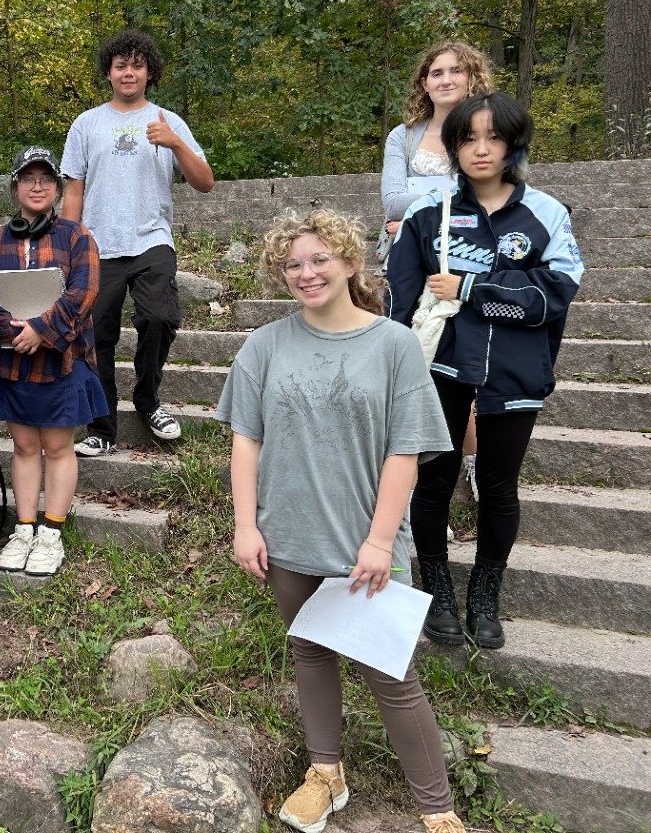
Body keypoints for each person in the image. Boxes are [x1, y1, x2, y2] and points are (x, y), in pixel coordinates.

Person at [217, 209, 465, 833]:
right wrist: (246, 525)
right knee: (309, 653)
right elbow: (245, 440)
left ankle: (437, 808)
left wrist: (381, 541)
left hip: (367, 542)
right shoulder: (265, 345)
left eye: (319, 259)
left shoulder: (393, 345)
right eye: (293, 263)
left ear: (351, 262)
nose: (307, 273)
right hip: (288, 536)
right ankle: (326, 772)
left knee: (391, 676)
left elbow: (405, 450)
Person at [388, 92, 583, 650]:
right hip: (441, 368)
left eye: (492, 138)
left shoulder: (546, 214)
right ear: (453, 147)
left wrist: (471, 289)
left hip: (517, 372)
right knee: (433, 485)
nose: (480, 149)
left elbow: (552, 299)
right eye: (467, 138)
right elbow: (401, 304)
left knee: (499, 488)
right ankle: (439, 592)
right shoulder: (429, 215)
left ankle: (485, 593)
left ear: (511, 144)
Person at [61, 29, 214, 455]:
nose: (129, 72)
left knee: (159, 318)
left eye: (137, 65)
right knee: (99, 337)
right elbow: (73, 190)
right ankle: (102, 426)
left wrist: (176, 142)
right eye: (120, 65)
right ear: (108, 73)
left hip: (152, 240)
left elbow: (205, 182)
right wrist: (69, 243)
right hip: (97, 246)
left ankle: (148, 400)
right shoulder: (87, 123)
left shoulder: (168, 121)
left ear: (149, 73)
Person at [0, 146, 105, 576]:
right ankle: (24, 527)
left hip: (63, 361)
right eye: (28, 179)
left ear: (57, 188)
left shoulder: (76, 236)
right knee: (25, 445)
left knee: (56, 446)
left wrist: (42, 329)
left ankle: (51, 532)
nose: (37, 186)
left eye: (46, 180)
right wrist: (9, 330)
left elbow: (84, 294)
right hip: (14, 362)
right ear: (15, 187)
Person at [380, 42, 495, 496]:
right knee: (414, 362)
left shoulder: (485, 131)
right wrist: (448, 190)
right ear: (424, 82)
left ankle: (472, 462)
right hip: (409, 258)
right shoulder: (403, 136)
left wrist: (417, 200)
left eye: (455, 71)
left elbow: (487, 187)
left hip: (465, 258)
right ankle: (418, 472)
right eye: (435, 73)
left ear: (471, 78)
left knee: (456, 365)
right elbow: (390, 200)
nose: (445, 80)